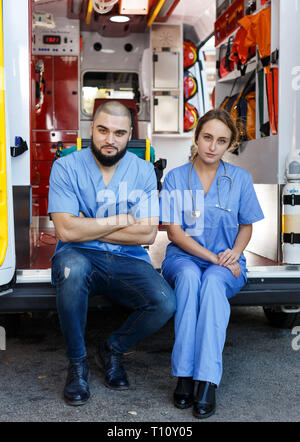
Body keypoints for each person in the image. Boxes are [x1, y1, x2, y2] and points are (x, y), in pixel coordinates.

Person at [48, 100, 175, 406]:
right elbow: (66, 231)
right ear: (91, 129)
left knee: (165, 302)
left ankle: (113, 348)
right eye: (103, 130)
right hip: (77, 255)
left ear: (130, 134)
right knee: (72, 270)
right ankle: (77, 364)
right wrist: (120, 219)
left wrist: (85, 222)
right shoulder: (66, 166)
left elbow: (146, 233)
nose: (110, 139)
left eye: (119, 133)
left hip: (128, 258)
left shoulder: (144, 171)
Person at [159, 108, 264, 419]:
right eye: (207, 137)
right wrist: (214, 257)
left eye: (221, 140)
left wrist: (234, 252)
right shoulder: (176, 178)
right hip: (184, 258)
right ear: (197, 136)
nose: (212, 146)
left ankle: (206, 380)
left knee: (215, 283)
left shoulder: (240, 179)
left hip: (226, 263)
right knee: (191, 280)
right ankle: (184, 375)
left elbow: (247, 224)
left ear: (230, 145)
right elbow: (174, 232)